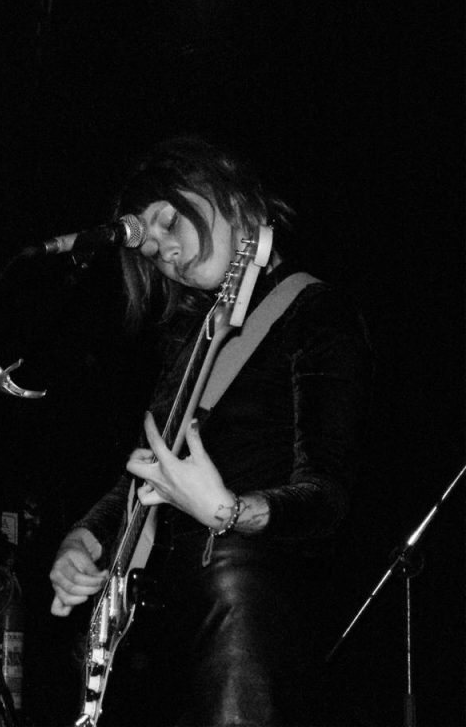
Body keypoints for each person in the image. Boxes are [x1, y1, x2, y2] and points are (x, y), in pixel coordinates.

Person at [48, 136, 373, 726]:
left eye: (169, 221)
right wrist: (84, 540)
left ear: (225, 191)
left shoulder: (312, 310)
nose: (165, 251)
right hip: (157, 626)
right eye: (150, 249)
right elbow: (145, 477)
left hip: (242, 613)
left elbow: (326, 498)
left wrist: (228, 510)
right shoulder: (193, 340)